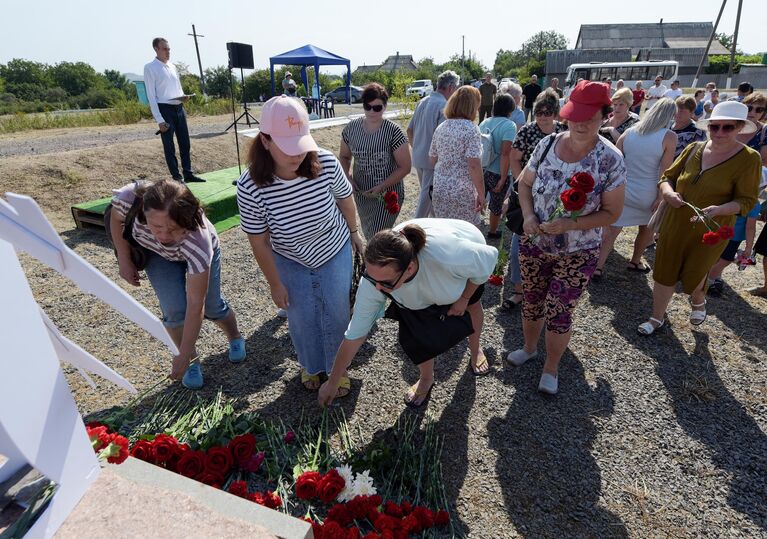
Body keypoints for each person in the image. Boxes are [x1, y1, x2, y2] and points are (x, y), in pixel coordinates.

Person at [236, 95, 364, 396]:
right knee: (301, 314)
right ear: (265, 141)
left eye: (301, 144)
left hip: (333, 248)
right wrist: (274, 282)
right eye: (287, 147)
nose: (297, 155)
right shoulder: (250, 185)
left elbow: (345, 199)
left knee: (335, 309)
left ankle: (337, 370)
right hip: (290, 256)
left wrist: (355, 233)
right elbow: (259, 240)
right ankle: (310, 365)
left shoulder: (326, 162)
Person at [509, 80, 626, 395]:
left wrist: (570, 225)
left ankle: (551, 367)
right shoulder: (547, 144)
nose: (582, 123)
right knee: (532, 301)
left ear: (605, 115)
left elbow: (612, 214)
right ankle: (530, 348)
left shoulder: (610, 159)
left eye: (590, 116)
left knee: (559, 310)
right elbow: (524, 184)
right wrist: (530, 216)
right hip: (534, 244)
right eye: (576, 115)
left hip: (577, 253)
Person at [317, 219, 498, 407]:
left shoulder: (451, 254)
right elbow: (355, 334)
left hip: (463, 260)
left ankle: (475, 350)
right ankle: (427, 377)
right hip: (415, 282)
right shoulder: (376, 282)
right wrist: (333, 381)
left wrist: (464, 298)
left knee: (473, 307)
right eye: (372, 278)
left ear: (409, 268)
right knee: (417, 332)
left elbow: (488, 260)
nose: (378, 288)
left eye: (386, 283)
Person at [637, 101, 761, 335]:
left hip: (711, 229)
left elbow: (746, 201)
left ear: (738, 128)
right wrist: (668, 193)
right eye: (715, 127)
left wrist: (719, 209)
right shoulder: (693, 148)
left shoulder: (749, 159)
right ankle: (656, 318)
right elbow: (667, 177)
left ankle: (698, 298)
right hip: (676, 221)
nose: (720, 132)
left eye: (727, 127)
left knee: (695, 271)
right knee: (664, 269)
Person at [110, 179, 244, 389]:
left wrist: (179, 354)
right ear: (144, 211)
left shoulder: (199, 241)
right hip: (156, 256)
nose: (163, 235)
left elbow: (195, 304)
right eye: (155, 226)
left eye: (172, 229)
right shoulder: (130, 198)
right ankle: (192, 362)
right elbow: (115, 218)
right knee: (173, 310)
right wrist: (124, 259)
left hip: (191, 254)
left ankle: (235, 336)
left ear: (187, 220)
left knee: (211, 306)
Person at [594, 98, 677, 280]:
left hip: (624, 189)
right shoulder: (669, 137)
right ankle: (635, 260)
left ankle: (598, 267)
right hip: (649, 191)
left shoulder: (629, 132)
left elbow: (614, 161)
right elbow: (665, 170)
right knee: (646, 229)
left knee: (612, 229)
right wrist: (660, 197)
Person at [502, 89, 568, 311]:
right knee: (520, 238)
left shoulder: (563, 131)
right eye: (539, 111)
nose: (542, 116)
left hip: (556, 197)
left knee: (552, 237)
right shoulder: (527, 131)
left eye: (548, 111)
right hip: (528, 191)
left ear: (555, 113)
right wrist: (522, 187)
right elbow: (514, 158)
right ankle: (519, 289)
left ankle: (547, 286)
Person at [340, 83, 411, 240]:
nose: (372, 111)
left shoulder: (393, 131)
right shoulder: (351, 129)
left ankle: (377, 262)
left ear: (385, 107)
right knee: (369, 232)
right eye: (368, 106)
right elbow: (344, 157)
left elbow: (405, 167)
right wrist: (348, 178)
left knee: (377, 236)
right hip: (362, 194)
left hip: (386, 195)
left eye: (377, 108)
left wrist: (382, 185)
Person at [143, 38, 205, 183]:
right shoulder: (150, 68)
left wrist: (184, 97)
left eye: (169, 49)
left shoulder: (173, 66)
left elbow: (178, 87)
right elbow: (151, 96)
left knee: (185, 142)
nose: (168, 52)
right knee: (169, 145)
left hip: (179, 107)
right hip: (164, 108)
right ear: (156, 49)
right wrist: (159, 120)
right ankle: (177, 177)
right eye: (164, 49)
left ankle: (188, 173)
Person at [407, 70, 460, 219]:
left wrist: (417, 147)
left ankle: (433, 227)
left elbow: (409, 130)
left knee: (430, 198)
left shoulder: (422, 101)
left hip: (418, 157)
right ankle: (413, 230)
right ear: (450, 87)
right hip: (432, 161)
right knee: (427, 199)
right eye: (455, 89)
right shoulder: (444, 106)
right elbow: (442, 140)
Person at [429, 86, 484, 226]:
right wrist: (481, 193)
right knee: (464, 231)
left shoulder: (441, 127)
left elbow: (432, 158)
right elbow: (474, 165)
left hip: (440, 187)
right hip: (462, 191)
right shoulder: (471, 129)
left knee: (445, 230)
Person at [479, 94, 518, 238]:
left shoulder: (484, 122)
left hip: (483, 168)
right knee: (496, 204)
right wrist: (503, 177)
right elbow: (505, 153)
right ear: (510, 109)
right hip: (498, 171)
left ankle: (474, 225)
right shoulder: (509, 125)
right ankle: (493, 231)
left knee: (479, 197)